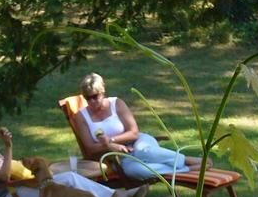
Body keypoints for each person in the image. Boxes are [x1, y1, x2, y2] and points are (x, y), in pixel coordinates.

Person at [0, 120, 148, 197]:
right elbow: (4, 177)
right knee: (69, 179)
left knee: (70, 178)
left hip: (22, 188)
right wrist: (9, 147)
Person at [71, 72, 203, 180]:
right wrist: (109, 146)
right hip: (117, 156)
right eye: (87, 98)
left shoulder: (116, 104)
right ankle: (187, 168)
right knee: (134, 171)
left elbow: (134, 132)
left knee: (143, 151)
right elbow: (89, 148)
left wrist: (111, 140)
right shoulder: (81, 116)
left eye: (95, 96)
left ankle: (189, 160)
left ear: (103, 91)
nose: (92, 101)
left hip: (138, 141)